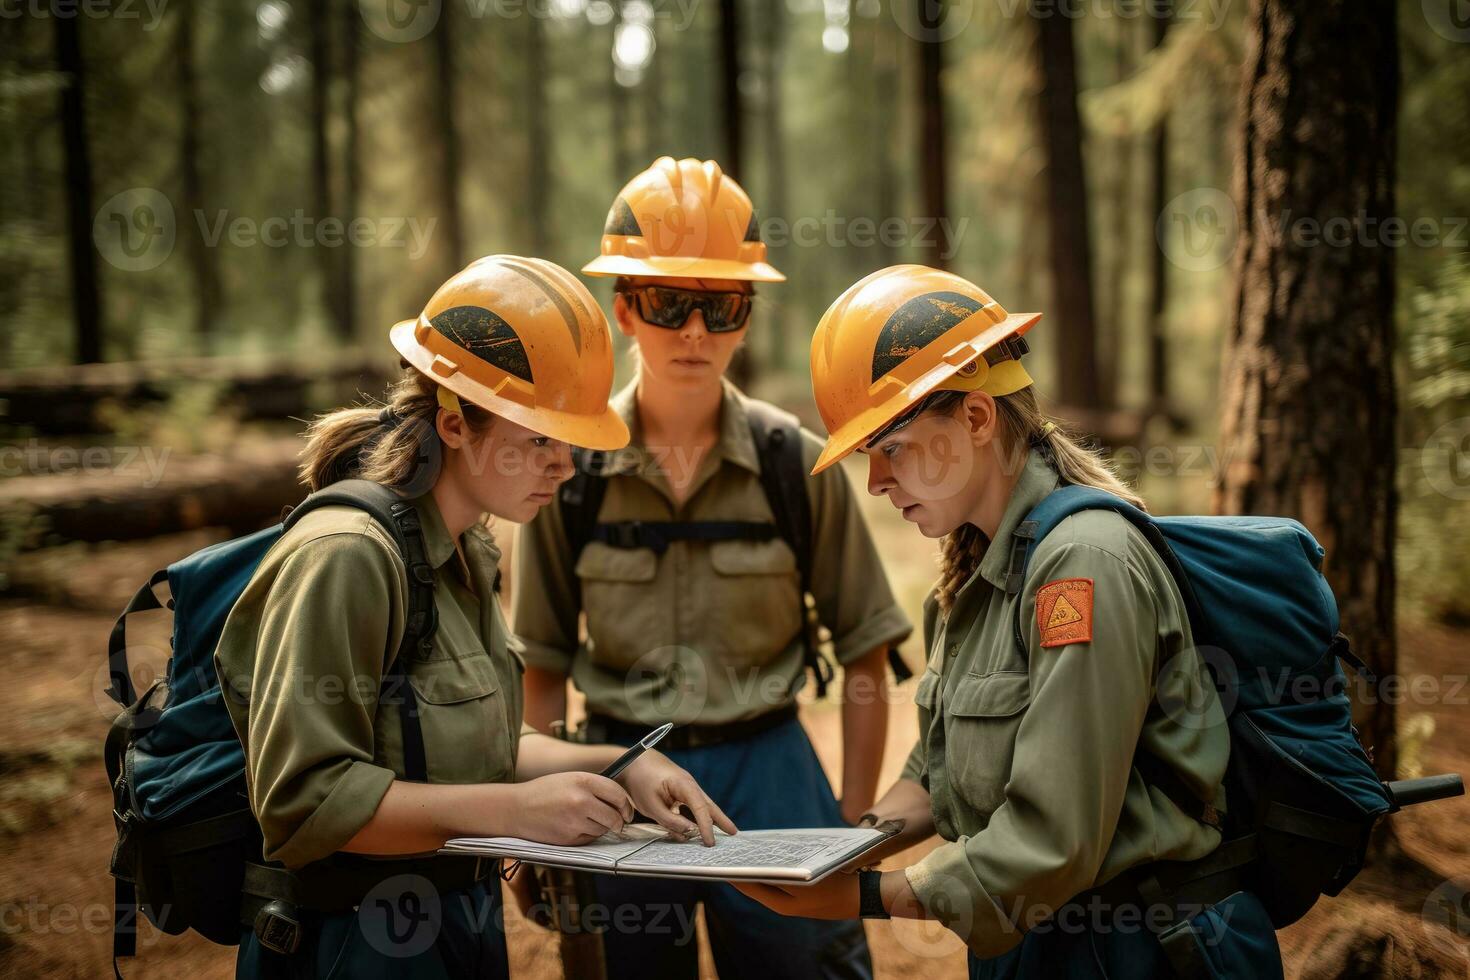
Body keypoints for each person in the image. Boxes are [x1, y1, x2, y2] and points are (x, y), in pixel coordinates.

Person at [734, 264, 1285, 979]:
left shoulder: (1082, 565)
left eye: (889, 449)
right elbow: (938, 769)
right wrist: (841, 850)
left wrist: (864, 896)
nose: (875, 481)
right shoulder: (976, 572)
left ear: (974, 418)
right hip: (1048, 944)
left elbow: (1053, 838)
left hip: (1138, 948)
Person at [215, 255, 736, 979]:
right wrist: (514, 814)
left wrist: (621, 762)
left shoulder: (468, 550)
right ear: (455, 423)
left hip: (452, 927)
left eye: (571, 443)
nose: (563, 467)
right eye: (539, 441)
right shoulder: (346, 558)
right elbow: (304, 803)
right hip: (350, 943)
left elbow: (472, 743)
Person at [512, 157, 914, 979]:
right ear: (624, 309)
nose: (695, 333)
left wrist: (849, 822)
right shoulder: (570, 475)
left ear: (746, 315)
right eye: (668, 303)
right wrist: (537, 820)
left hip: (770, 769)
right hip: (617, 776)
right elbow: (543, 666)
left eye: (721, 306)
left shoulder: (793, 464)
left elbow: (867, 651)